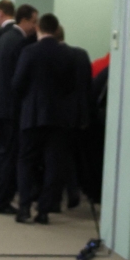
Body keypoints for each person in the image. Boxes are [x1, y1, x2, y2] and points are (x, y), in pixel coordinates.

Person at [12, 13, 75, 224]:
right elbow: (70, 86)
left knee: (26, 162)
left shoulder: (29, 51)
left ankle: (24, 208)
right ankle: (45, 210)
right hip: (58, 117)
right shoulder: (66, 54)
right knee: (52, 164)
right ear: (56, 30)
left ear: (39, 28)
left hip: (32, 115)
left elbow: (18, 83)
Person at [0, 4, 39, 213]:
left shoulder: (4, 38)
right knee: (8, 154)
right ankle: (0, 200)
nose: (35, 26)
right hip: (10, 107)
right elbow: (18, 79)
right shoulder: (20, 42)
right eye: (33, 21)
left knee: (1, 153)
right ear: (24, 20)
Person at [58, 26, 91, 211]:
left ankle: (70, 190)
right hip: (80, 113)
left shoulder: (57, 56)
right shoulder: (81, 54)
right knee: (76, 153)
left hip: (61, 116)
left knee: (63, 155)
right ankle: (77, 189)